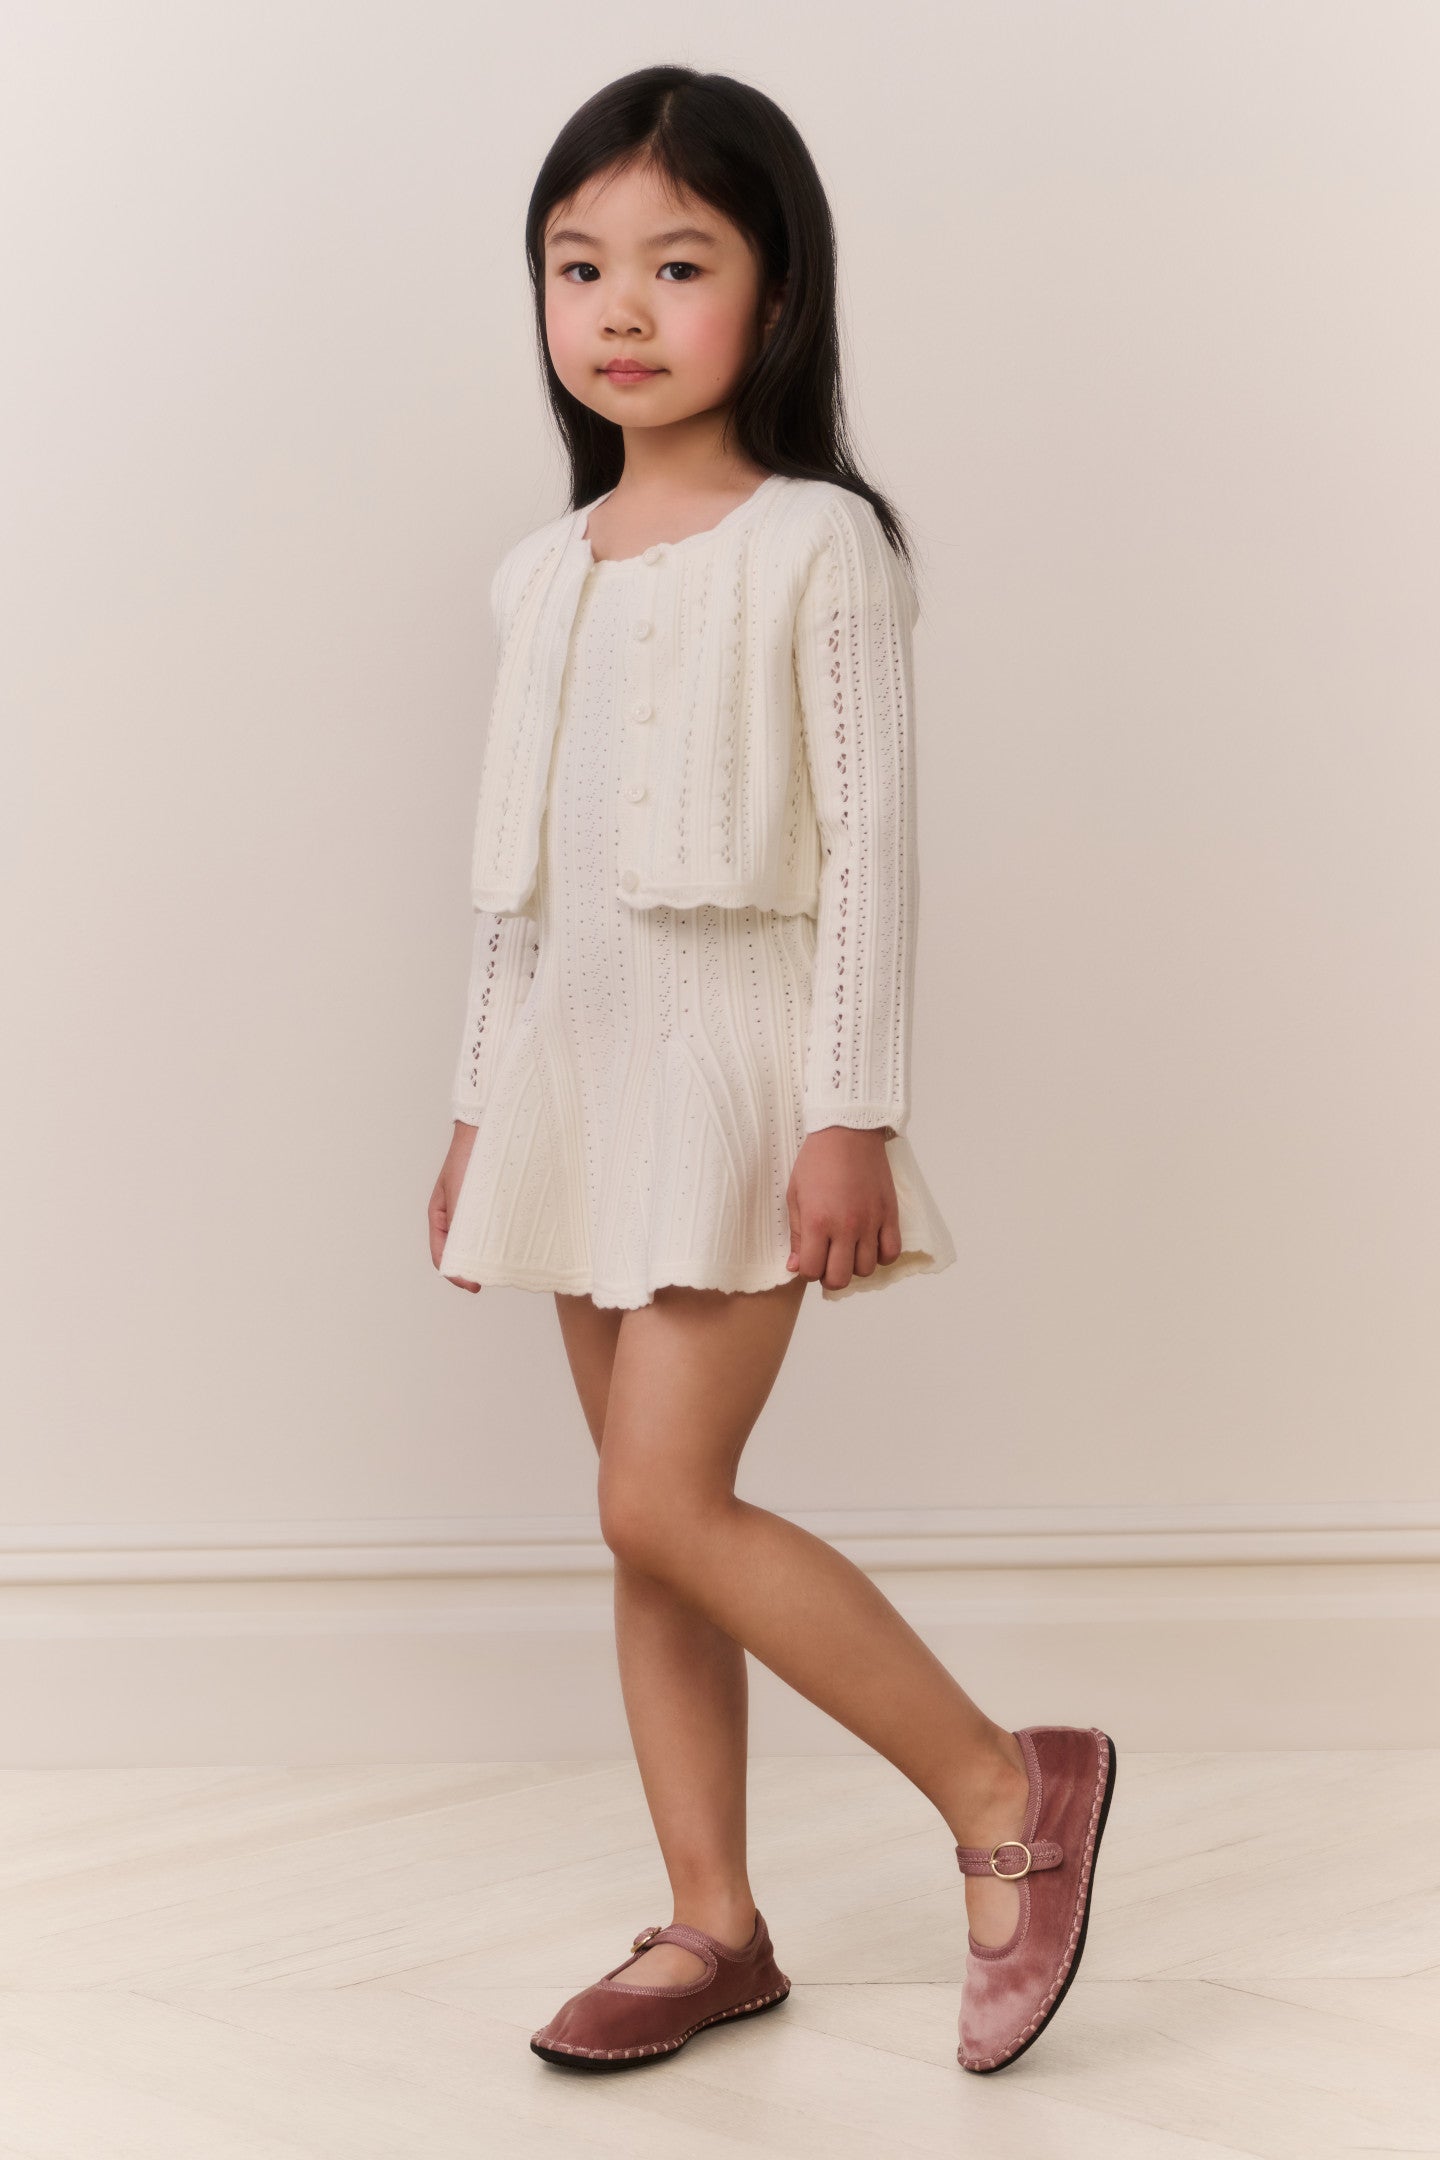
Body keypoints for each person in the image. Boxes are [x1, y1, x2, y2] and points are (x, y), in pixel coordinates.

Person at [427, 64, 1116, 2078]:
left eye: (678, 263)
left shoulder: (822, 545)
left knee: (668, 1493)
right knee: (638, 1518)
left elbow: (873, 853)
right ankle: (710, 1923)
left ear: (779, 295)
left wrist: (849, 1109)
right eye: (580, 266)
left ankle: (1008, 1790)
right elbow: (516, 886)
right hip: (577, 1078)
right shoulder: (542, 573)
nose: (621, 308)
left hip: (739, 1073)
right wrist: (477, 1108)